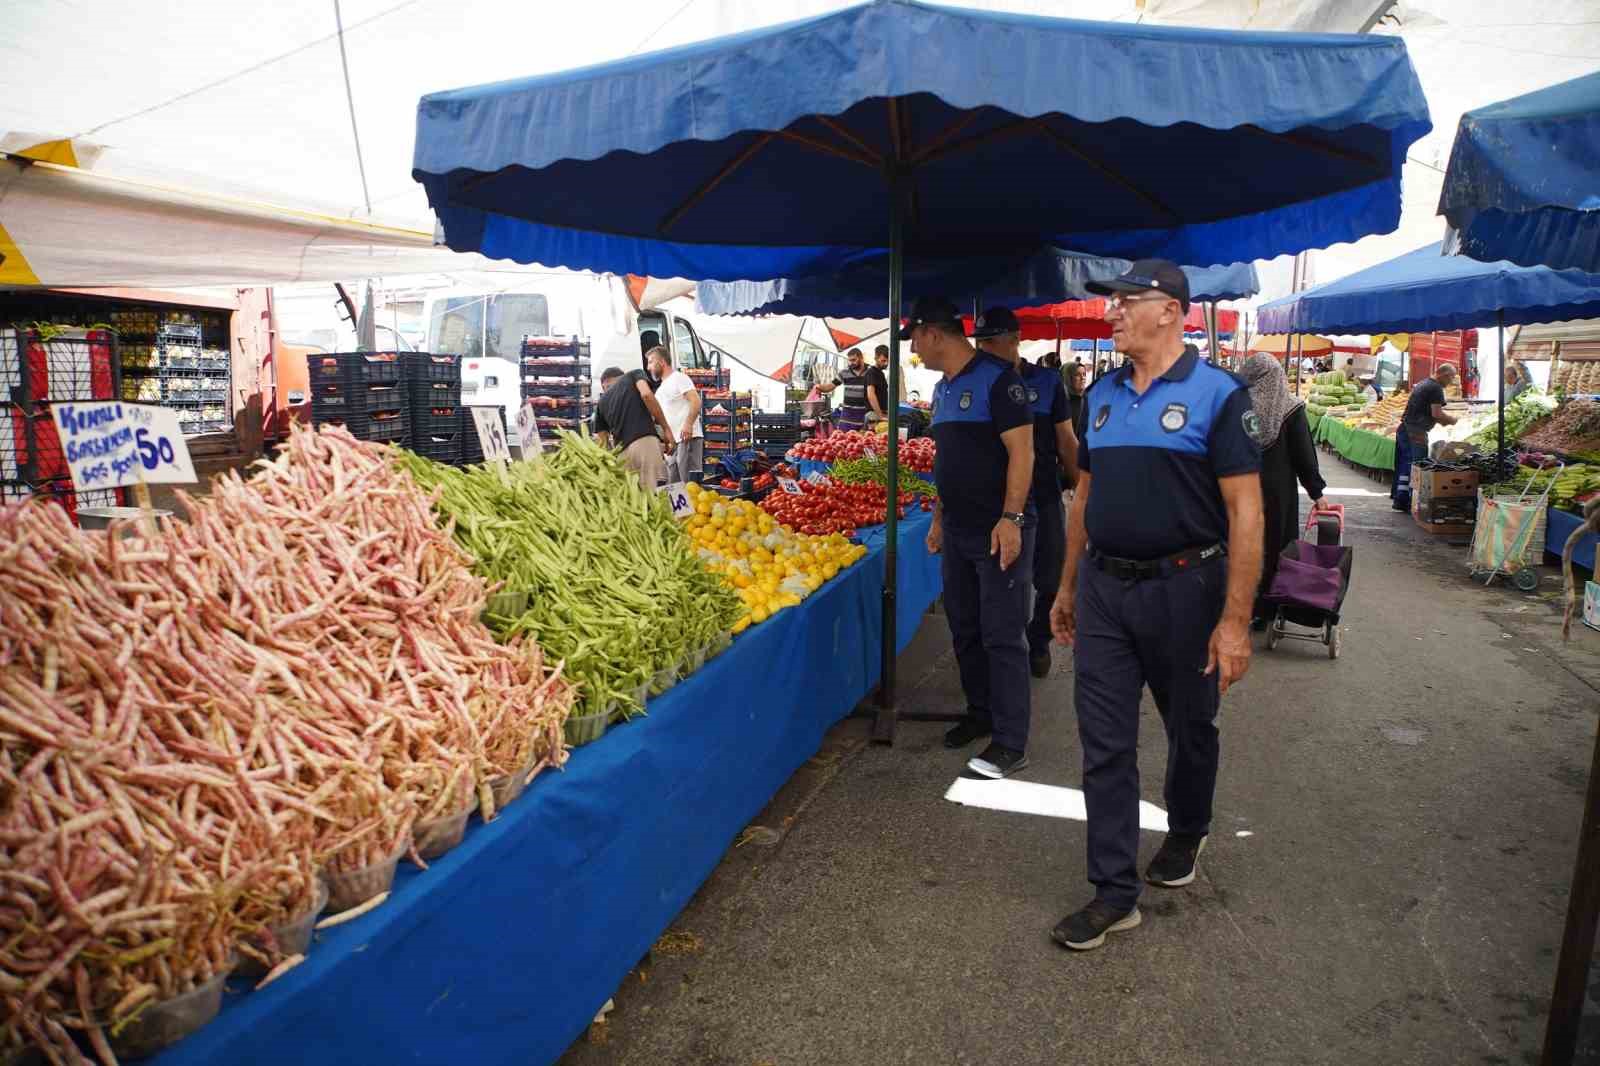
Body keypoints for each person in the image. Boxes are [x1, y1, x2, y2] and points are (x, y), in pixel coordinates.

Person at [1049, 259, 1264, 952]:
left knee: (1190, 728)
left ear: (1170, 310)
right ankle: (1114, 891)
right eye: (1109, 303)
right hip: (1106, 591)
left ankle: (1188, 829)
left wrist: (1234, 622)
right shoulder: (1101, 397)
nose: (1110, 313)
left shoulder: (1218, 396)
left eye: (1124, 302)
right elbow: (1084, 496)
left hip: (1187, 589)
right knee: (1104, 743)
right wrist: (1067, 586)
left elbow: (1246, 513)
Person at [910, 296, 1037, 779]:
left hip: (997, 530)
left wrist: (1012, 518)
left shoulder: (1001, 381)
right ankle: (979, 712)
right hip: (959, 530)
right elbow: (949, 463)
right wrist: (940, 520)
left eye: (916, 340)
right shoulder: (942, 390)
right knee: (964, 627)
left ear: (934, 334)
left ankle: (1010, 740)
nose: (914, 351)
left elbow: (1022, 454)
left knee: (1003, 635)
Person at [974, 306, 1078, 679]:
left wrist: (1082, 488)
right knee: (1004, 585)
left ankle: (1038, 640)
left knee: (1050, 578)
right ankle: (1006, 651)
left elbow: (1067, 441)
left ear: (1015, 341)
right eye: (979, 342)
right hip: (995, 500)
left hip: (1045, 494)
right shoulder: (978, 381)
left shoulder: (1048, 382)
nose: (983, 349)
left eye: (991, 342)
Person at [1239, 354, 1328, 626]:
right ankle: (1264, 610)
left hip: (1238, 487)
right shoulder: (1290, 409)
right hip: (1277, 494)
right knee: (1273, 547)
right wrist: (1317, 492)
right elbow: (1303, 455)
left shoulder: (1236, 407)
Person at [593, 360, 677, 488]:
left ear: (604, 384)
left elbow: (602, 446)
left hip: (622, 457)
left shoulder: (600, 403)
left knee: (633, 503)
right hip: (645, 445)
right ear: (622, 376)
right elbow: (647, 395)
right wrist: (666, 428)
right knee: (658, 498)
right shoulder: (633, 375)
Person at [1391, 363, 1458, 512]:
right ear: (1444, 375)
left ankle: (1400, 500)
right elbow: (1437, 414)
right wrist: (1452, 420)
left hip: (1405, 428)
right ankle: (1412, 503)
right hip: (1416, 432)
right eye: (1451, 378)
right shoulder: (1436, 388)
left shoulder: (1423, 383)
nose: (1451, 382)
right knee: (1417, 467)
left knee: (1406, 465)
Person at [651, 346, 703, 484]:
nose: (648, 367)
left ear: (661, 362)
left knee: (690, 486)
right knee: (674, 488)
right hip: (674, 444)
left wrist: (688, 424)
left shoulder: (679, 378)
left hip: (687, 438)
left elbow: (696, 401)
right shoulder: (661, 389)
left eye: (651, 362)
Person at [817, 347, 885, 431]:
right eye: (849, 360)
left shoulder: (871, 371)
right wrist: (820, 387)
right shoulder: (844, 372)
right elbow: (830, 386)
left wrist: (879, 414)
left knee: (864, 440)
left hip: (865, 414)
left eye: (853, 360)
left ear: (861, 358)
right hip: (847, 415)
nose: (851, 363)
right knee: (843, 439)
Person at [873, 344, 902, 413]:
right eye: (883, 361)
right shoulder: (872, 373)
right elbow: (871, 396)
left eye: (887, 361)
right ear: (876, 358)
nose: (886, 364)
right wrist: (880, 415)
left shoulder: (881, 373)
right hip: (875, 416)